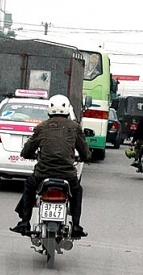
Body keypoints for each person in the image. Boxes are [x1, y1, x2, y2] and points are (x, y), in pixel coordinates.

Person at [10, 94, 92, 237]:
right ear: (67, 109)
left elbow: (27, 150)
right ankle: (77, 225)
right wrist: (85, 157)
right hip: (68, 175)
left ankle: (24, 222)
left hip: (43, 173)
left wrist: (31, 155)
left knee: (29, 187)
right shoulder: (75, 127)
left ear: (49, 110)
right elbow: (84, 152)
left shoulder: (42, 127)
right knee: (77, 191)